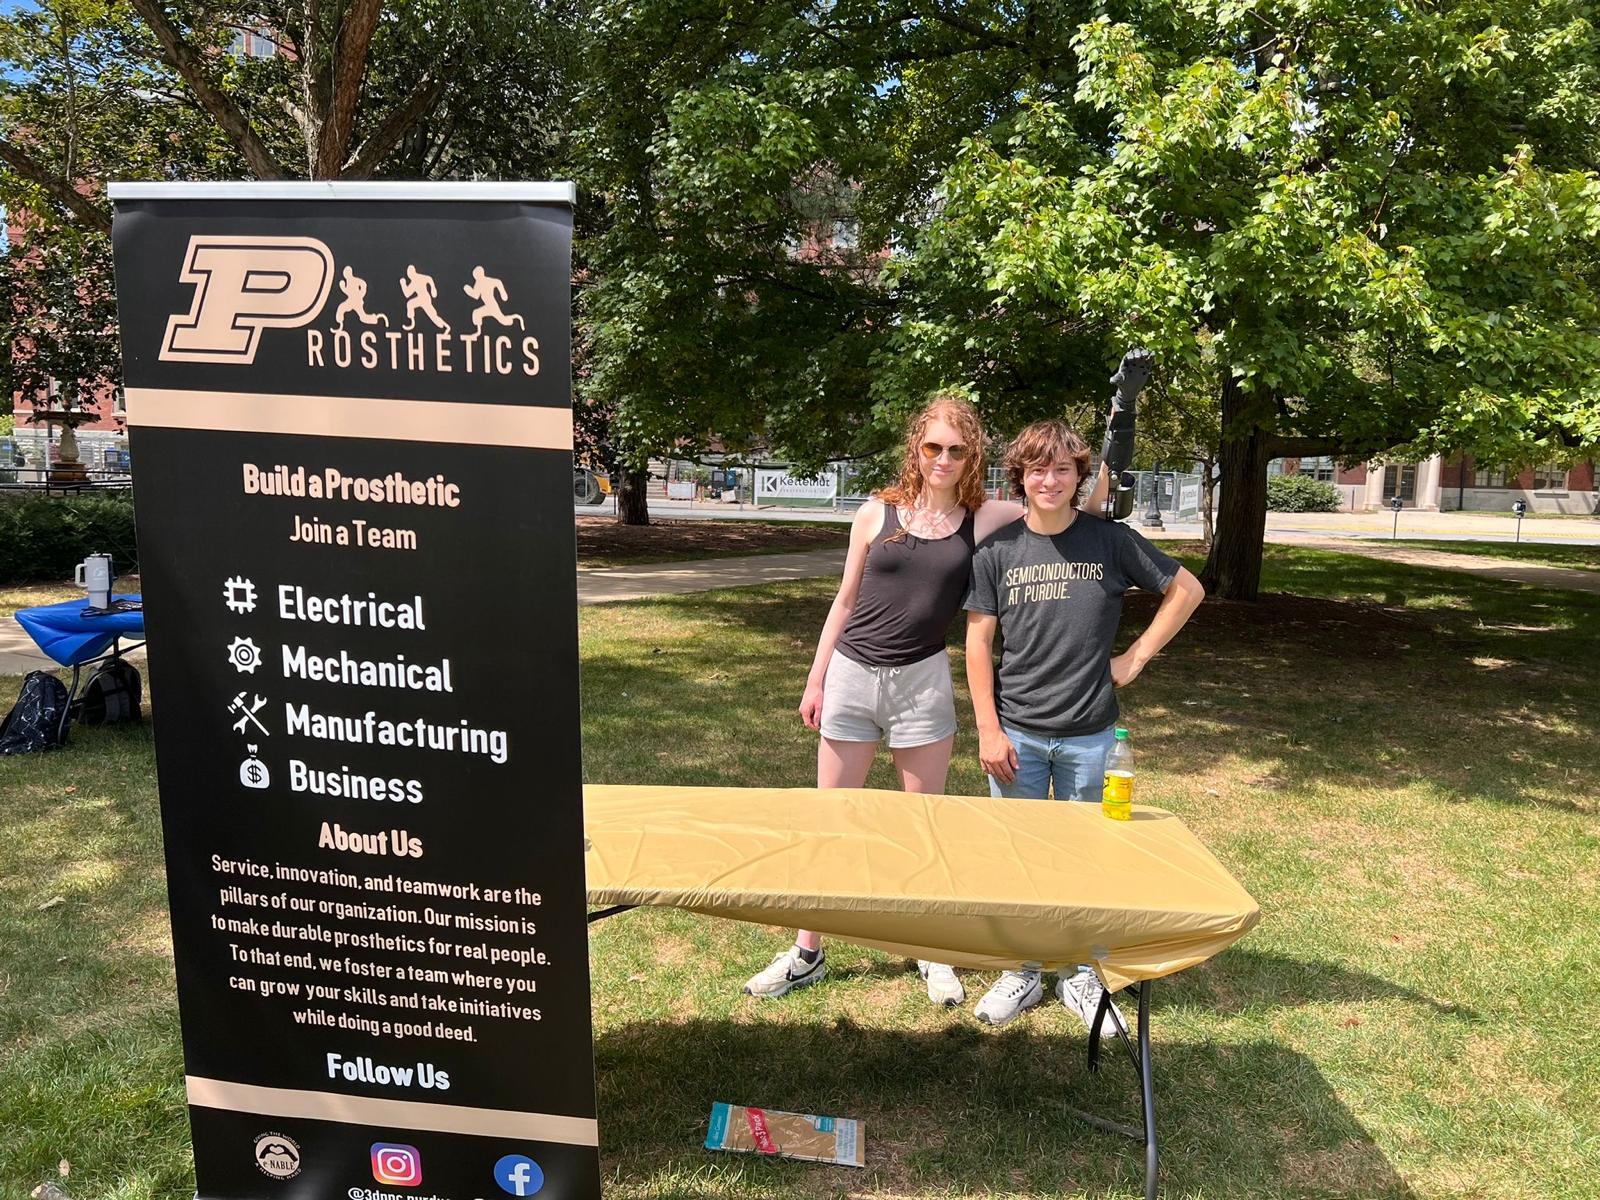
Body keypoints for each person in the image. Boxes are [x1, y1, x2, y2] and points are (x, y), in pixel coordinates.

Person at [742, 397, 1113, 1005]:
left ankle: (930, 952)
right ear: (916, 448)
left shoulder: (986, 517)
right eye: (932, 446)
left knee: (926, 828)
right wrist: (816, 679)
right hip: (852, 676)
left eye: (957, 449)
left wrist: (1115, 429)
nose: (943, 458)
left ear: (973, 458)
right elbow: (843, 601)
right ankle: (806, 951)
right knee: (830, 821)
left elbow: (1067, 509)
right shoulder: (875, 512)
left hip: (922, 682)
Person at [963, 420, 1205, 1028]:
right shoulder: (997, 553)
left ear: (1078, 477)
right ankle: (1021, 972)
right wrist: (988, 730)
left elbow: (1187, 590)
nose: (1050, 480)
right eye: (1037, 470)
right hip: (1016, 732)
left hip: (1092, 733)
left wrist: (1136, 656)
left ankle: (1080, 976)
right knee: (1017, 857)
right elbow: (977, 643)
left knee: (1090, 858)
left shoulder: (1110, 541)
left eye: (1063, 470)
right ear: (1019, 477)